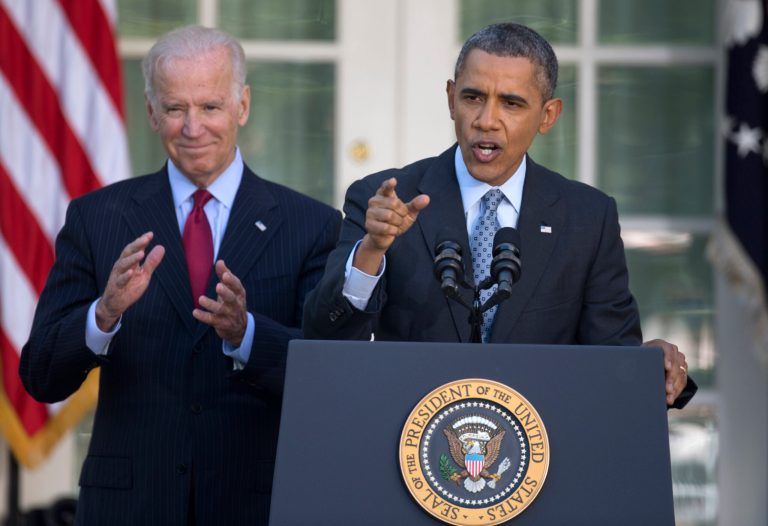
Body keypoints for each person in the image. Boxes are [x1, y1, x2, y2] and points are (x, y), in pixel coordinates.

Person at [20, 26, 340, 525]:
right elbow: (40, 375)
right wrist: (103, 315)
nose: (193, 127)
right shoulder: (97, 218)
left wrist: (247, 334)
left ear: (243, 106)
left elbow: (327, 381)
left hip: (252, 504)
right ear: (151, 112)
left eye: (210, 107)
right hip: (129, 506)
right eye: (175, 109)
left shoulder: (310, 225)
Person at [303, 22, 696, 408]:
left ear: (548, 115)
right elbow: (325, 336)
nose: (486, 120)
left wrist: (650, 364)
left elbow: (612, 361)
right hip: (410, 444)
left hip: (540, 454)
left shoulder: (587, 218)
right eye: (473, 97)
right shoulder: (385, 199)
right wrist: (371, 251)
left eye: (511, 103)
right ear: (451, 98)